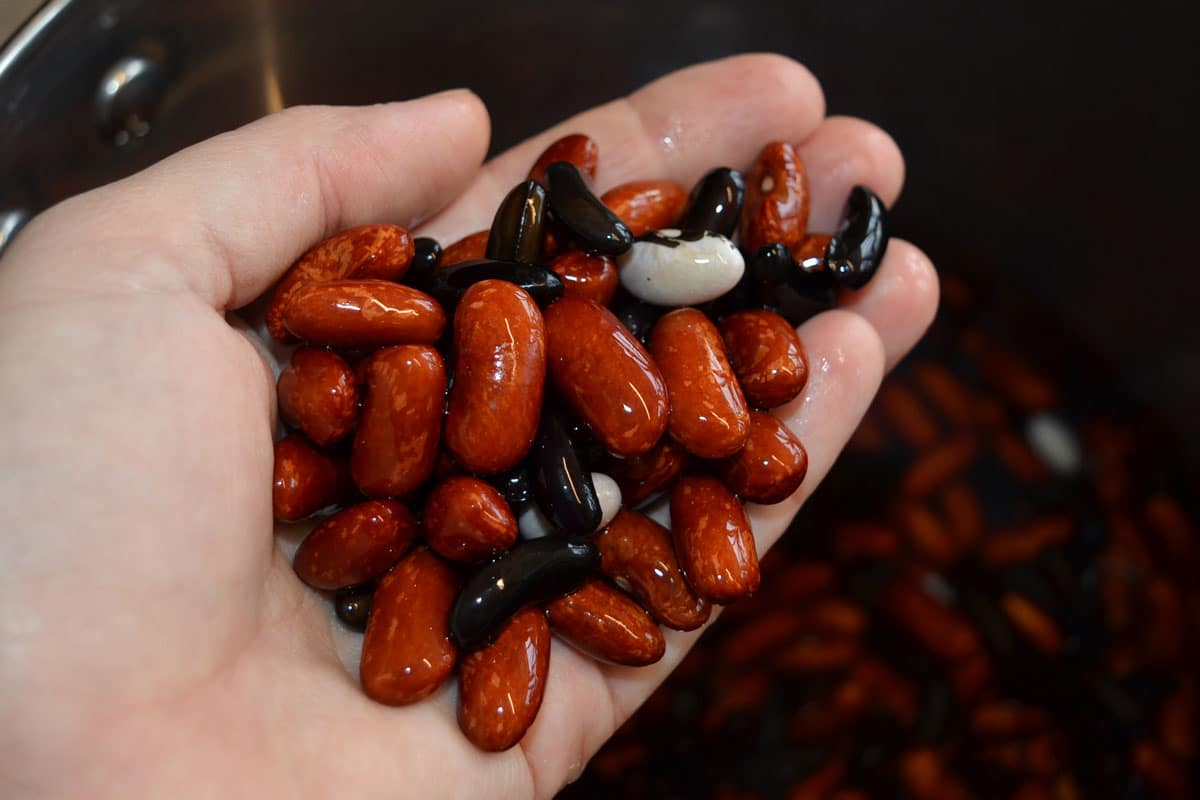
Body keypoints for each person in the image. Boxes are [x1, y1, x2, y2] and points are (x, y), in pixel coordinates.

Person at [0, 54, 936, 799]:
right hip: (475, 468)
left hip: (546, 441)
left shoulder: (608, 355)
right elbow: (474, 454)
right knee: (456, 390)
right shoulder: (444, 399)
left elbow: (575, 450)